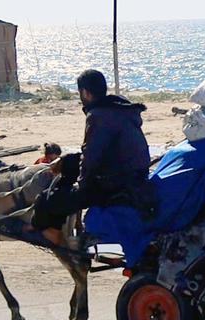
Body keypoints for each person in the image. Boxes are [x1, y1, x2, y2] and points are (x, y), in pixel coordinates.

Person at [30, 69, 155, 245]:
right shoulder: (120, 109)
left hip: (116, 183)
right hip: (133, 174)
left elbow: (91, 158)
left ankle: (55, 238)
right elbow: (101, 151)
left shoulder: (98, 116)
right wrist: (65, 161)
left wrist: (80, 190)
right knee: (68, 165)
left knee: (44, 201)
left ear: (85, 93)